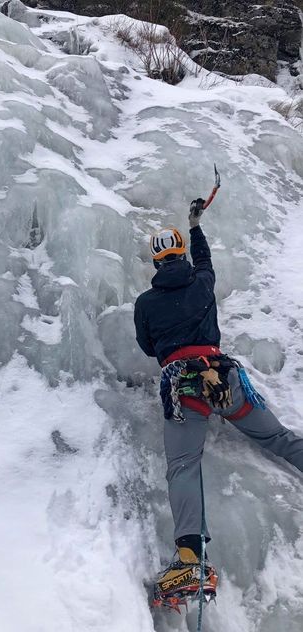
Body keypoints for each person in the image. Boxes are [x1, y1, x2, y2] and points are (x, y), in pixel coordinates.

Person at [133, 199, 303, 606]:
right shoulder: (202, 282)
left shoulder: (145, 303)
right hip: (224, 381)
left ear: (157, 261)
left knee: (183, 465)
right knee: (275, 437)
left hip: (185, 390)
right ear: (181, 254)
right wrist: (195, 225)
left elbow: (147, 347)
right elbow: (205, 259)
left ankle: (190, 557)